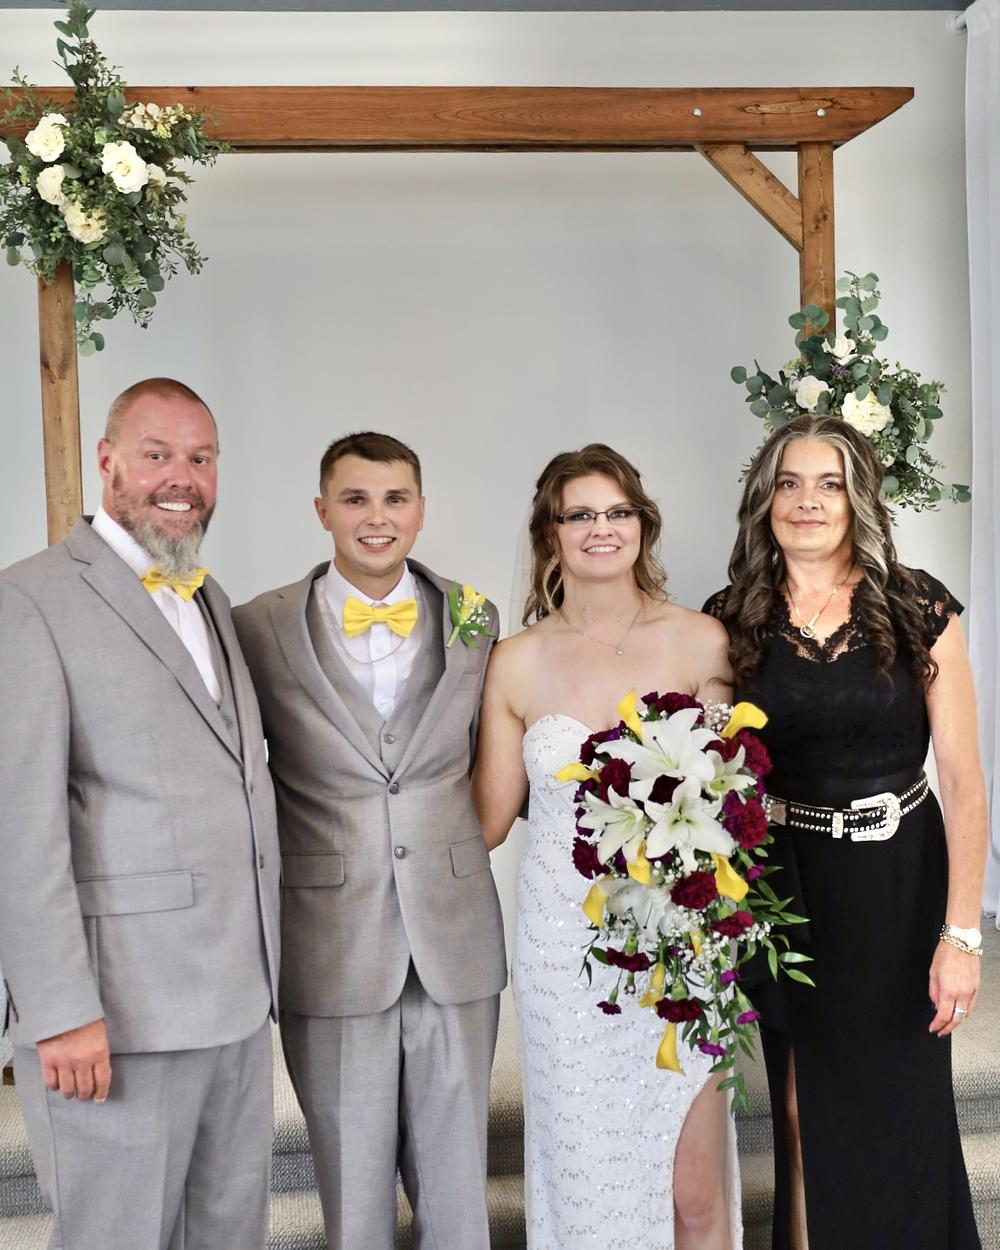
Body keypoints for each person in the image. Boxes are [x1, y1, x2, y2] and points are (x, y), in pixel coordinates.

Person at [0, 378, 281, 1250]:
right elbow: (18, 828)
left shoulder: (211, 598)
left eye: (200, 458)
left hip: (236, 1002)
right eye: (157, 454)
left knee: (229, 1236)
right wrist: (58, 1010)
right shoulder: (28, 600)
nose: (181, 477)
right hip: (118, 1015)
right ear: (108, 461)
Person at [704, 412, 986, 1250]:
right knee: (800, 1108)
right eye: (790, 483)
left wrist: (962, 935)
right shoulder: (730, 618)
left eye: (829, 484)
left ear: (857, 498)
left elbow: (964, 781)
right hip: (786, 884)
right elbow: (710, 768)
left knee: (901, 1101)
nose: (808, 501)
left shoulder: (918, 605)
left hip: (899, 879)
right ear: (766, 499)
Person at [233, 432, 506, 1250]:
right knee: (353, 1197)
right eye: (355, 499)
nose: (376, 518)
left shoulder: (475, 615)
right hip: (329, 937)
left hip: (455, 935)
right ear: (323, 511)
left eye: (394, 499)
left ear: (420, 511)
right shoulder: (258, 626)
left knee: (458, 1193)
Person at [472, 443, 742, 1250]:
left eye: (618, 511)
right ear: (550, 533)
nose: (601, 528)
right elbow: (487, 821)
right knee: (589, 1184)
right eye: (580, 514)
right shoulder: (514, 662)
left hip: (681, 941)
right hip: (566, 954)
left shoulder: (701, 640)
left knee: (693, 1190)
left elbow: (737, 791)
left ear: (643, 525)